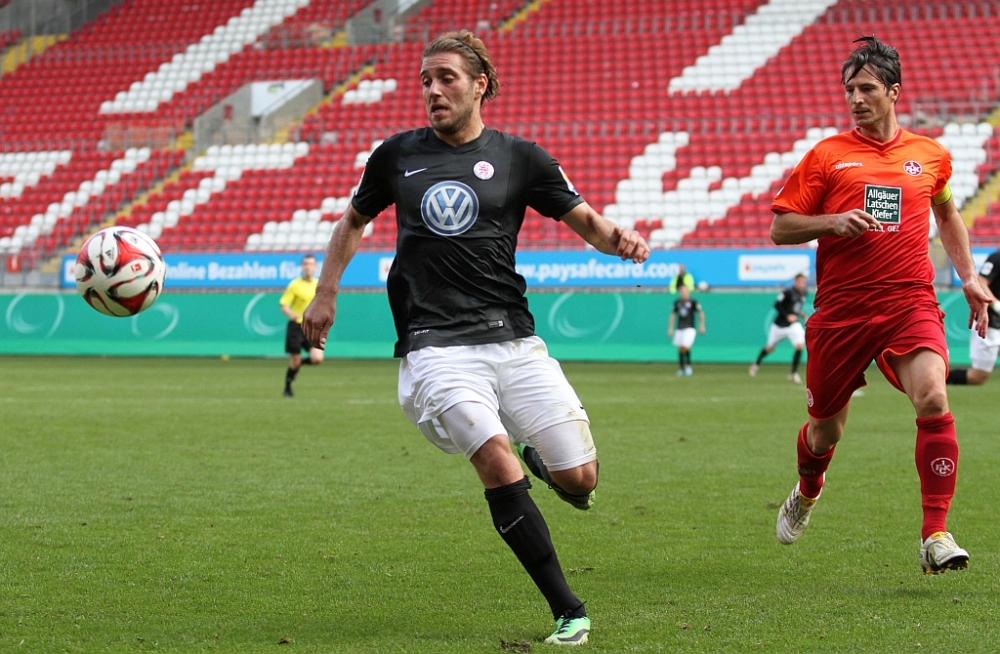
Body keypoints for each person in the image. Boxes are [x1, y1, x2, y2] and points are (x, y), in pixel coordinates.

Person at [302, 31, 650, 645]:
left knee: (581, 480)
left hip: (511, 336)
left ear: (479, 84)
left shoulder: (522, 158)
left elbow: (587, 221)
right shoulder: (395, 155)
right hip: (434, 344)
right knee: (493, 456)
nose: (433, 91)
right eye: (425, 80)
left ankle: (543, 459)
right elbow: (353, 220)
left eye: (447, 78)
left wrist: (618, 239)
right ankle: (568, 609)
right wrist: (325, 291)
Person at [768, 36, 990, 574]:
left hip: (908, 301)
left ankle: (935, 534)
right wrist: (831, 222)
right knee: (825, 431)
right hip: (841, 311)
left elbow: (947, 214)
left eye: (867, 88)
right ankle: (808, 488)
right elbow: (781, 227)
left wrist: (968, 277)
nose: (856, 98)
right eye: (850, 89)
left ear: (894, 92)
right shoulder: (826, 155)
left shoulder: (930, 155)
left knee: (933, 396)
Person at [947, 247, 1000, 385]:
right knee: (977, 377)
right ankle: (935, 377)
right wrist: (995, 304)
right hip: (990, 321)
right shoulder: (997, 257)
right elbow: (981, 282)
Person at [749, 272, 809, 383]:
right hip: (779, 325)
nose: (802, 284)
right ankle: (756, 363)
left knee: (800, 346)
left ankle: (793, 373)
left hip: (793, 325)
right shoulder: (787, 292)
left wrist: (802, 315)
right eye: (800, 281)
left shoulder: (804, 293)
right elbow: (777, 305)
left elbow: (796, 308)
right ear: (795, 281)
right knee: (770, 348)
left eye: (804, 282)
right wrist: (787, 315)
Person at [279, 254, 324, 397]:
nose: (308, 267)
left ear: (316, 267)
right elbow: (284, 304)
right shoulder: (295, 285)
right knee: (295, 360)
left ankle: (300, 364)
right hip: (296, 327)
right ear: (302, 266)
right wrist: (291, 314)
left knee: (317, 358)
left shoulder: (319, 285)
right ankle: (287, 388)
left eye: (311, 264)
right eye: (305, 264)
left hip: (312, 327)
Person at [667, 284, 706, 376]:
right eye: (682, 291)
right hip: (679, 327)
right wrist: (670, 328)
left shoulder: (693, 302)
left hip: (690, 327)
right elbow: (673, 315)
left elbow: (700, 313)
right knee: (680, 348)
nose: (684, 292)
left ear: (688, 292)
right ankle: (681, 368)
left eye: (685, 291)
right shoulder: (677, 302)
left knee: (686, 346)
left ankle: (688, 366)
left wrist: (702, 325)